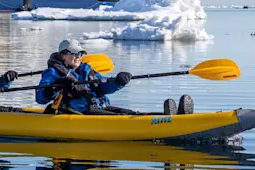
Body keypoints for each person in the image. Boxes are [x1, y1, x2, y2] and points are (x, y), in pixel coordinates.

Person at [35, 39, 193, 115]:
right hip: (75, 112)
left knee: (132, 114)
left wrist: (118, 82)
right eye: (75, 53)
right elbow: (40, 98)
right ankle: (165, 123)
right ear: (63, 55)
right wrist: (56, 86)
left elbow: (102, 86)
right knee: (122, 117)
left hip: (97, 106)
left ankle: (172, 117)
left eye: (81, 53)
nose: (79, 56)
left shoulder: (86, 69)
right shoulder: (53, 73)